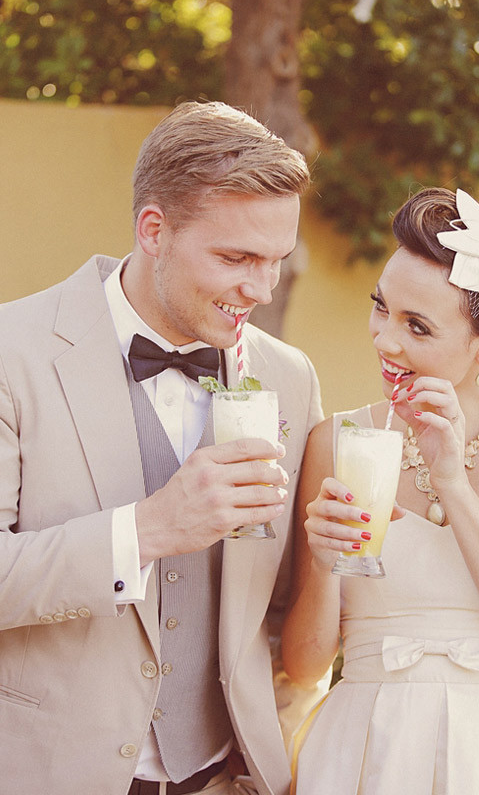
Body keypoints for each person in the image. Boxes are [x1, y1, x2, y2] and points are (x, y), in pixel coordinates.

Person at [0, 101, 326, 795]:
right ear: (154, 230)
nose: (260, 290)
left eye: (276, 261)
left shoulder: (290, 378)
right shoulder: (12, 355)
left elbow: (286, 607)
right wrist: (148, 529)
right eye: (236, 258)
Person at [282, 187, 479, 793]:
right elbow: (305, 666)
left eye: (416, 325)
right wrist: (325, 564)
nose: (385, 340)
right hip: (366, 749)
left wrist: (453, 486)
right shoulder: (336, 440)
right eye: (381, 307)